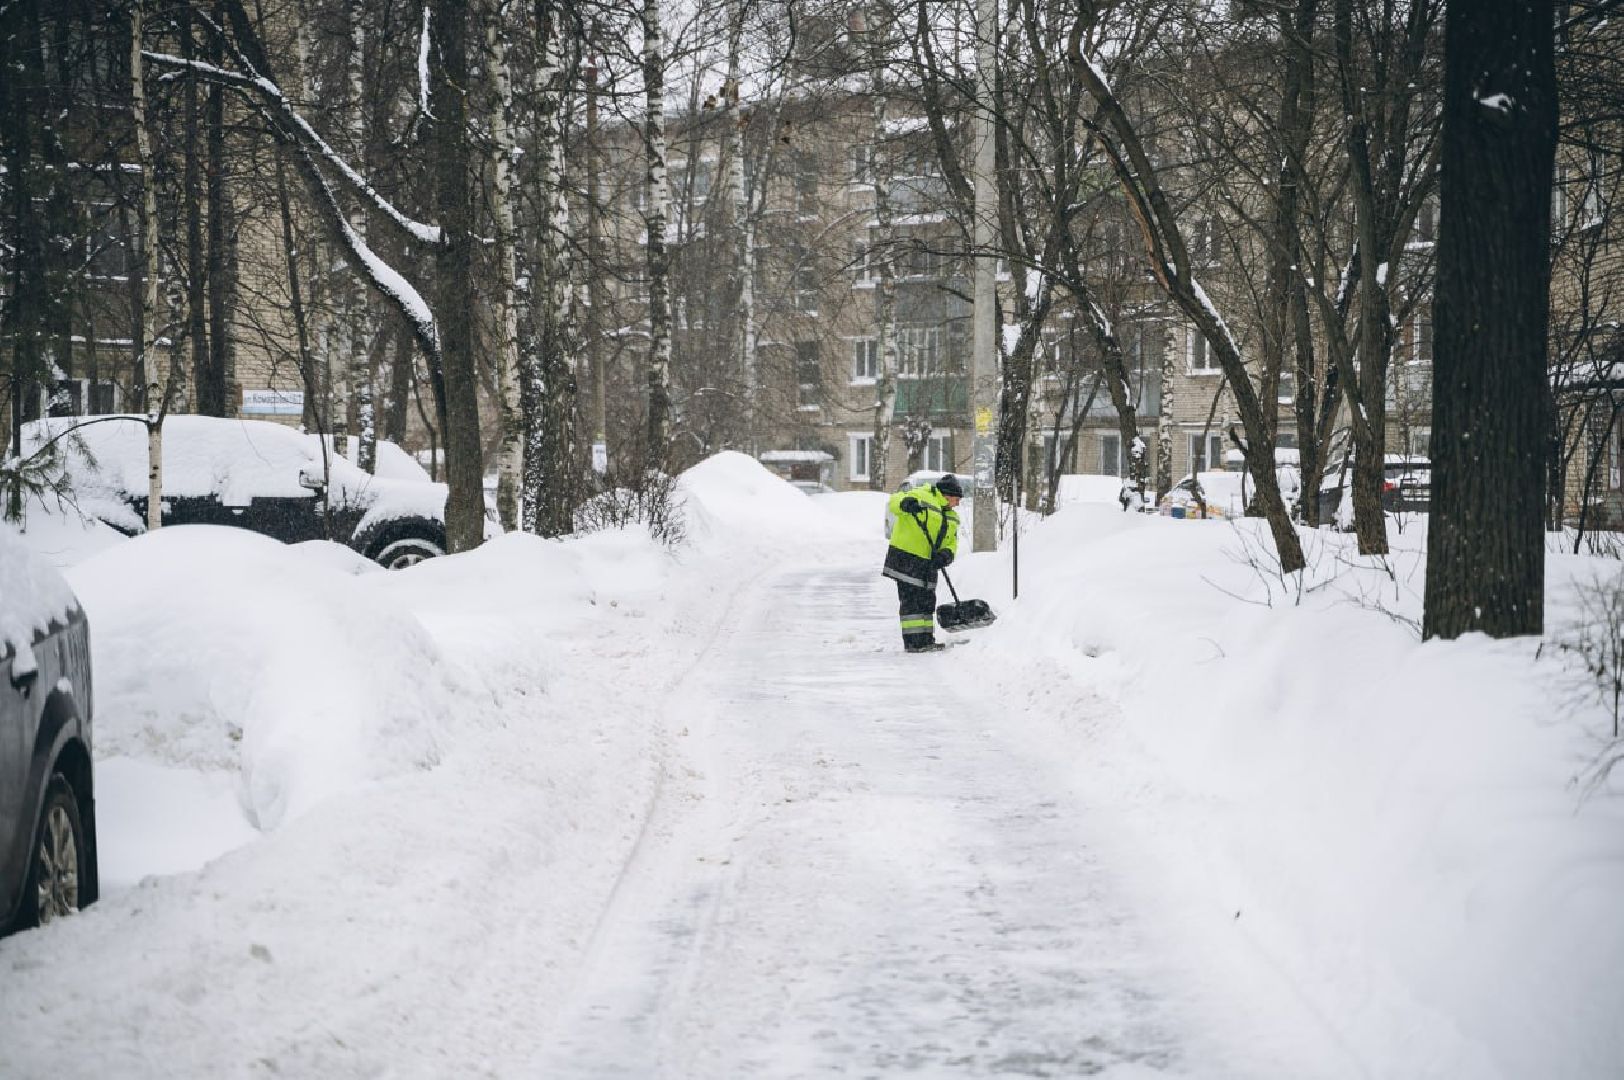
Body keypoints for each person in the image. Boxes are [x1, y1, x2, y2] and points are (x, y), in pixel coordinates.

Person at [881, 473, 962, 653]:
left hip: (928, 563)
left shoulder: (952, 518)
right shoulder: (922, 495)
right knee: (912, 601)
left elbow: (952, 543)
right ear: (947, 495)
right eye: (957, 499)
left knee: (926, 601)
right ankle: (913, 642)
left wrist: (946, 555)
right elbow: (895, 501)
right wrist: (905, 504)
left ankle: (926, 640)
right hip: (907, 558)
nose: (958, 504)